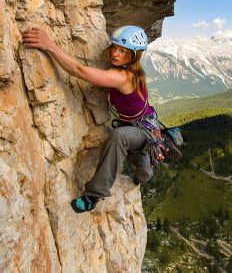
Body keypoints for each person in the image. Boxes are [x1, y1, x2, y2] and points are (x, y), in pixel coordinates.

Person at [23, 25, 156, 213]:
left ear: (133, 56)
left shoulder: (123, 77)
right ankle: (145, 172)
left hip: (142, 131)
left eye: (123, 51)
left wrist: (49, 45)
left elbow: (80, 71)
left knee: (119, 136)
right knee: (143, 169)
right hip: (139, 127)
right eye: (115, 48)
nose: (115, 54)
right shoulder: (130, 72)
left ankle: (93, 196)